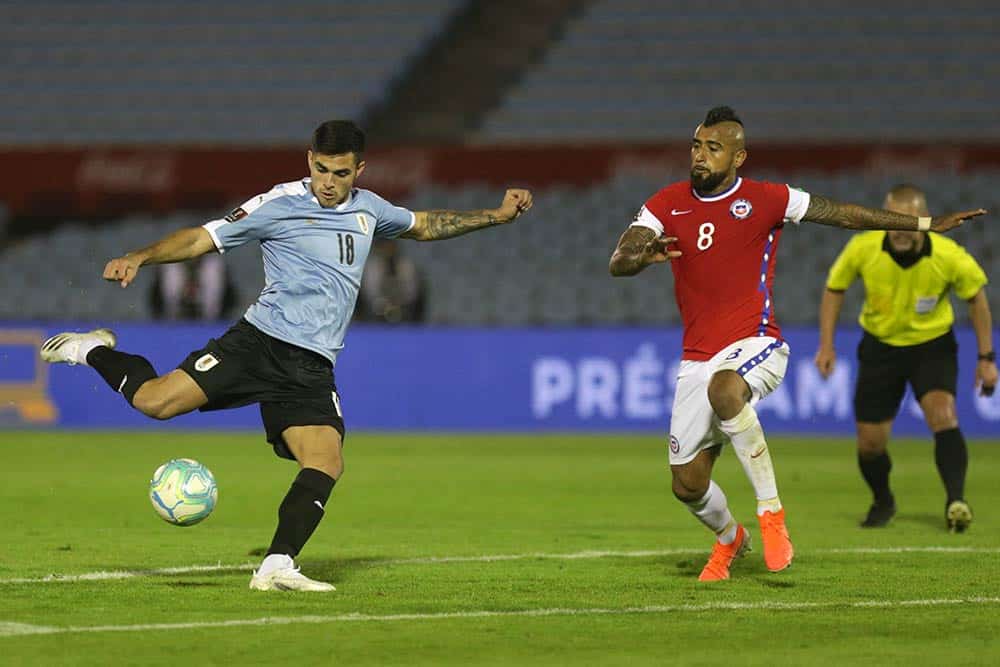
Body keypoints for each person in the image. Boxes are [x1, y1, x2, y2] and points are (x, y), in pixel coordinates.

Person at [40, 120, 533, 592]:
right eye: (321, 169)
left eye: (341, 173)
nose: (329, 183)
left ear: (359, 171)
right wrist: (140, 257)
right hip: (259, 344)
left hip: (312, 366)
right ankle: (93, 350)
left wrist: (496, 215)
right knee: (154, 403)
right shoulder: (280, 202)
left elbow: (424, 224)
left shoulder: (370, 209)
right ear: (309, 161)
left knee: (326, 460)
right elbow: (204, 237)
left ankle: (277, 565)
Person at [609, 106, 985, 582]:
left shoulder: (769, 198)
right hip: (696, 356)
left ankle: (772, 515)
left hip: (756, 341)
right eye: (696, 146)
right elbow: (618, 259)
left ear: (739, 156)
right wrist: (641, 257)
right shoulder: (667, 203)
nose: (700, 156)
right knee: (687, 485)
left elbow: (843, 214)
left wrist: (925, 226)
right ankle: (731, 539)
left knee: (726, 390)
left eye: (713, 148)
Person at [814, 184, 996, 532]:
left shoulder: (949, 255)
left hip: (932, 346)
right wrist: (826, 345)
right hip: (880, 348)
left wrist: (986, 357)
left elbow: (977, 299)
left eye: (907, 220)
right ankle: (883, 500)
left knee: (943, 415)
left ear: (923, 220)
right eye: (892, 219)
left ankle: (956, 501)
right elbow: (835, 288)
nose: (898, 228)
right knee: (870, 443)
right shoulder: (863, 247)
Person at [149, 253, 237, 320]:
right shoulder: (172, 269)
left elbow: (231, 297)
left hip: (210, 315)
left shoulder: (212, 267)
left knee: (213, 270)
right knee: (171, 271)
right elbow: (154, 297)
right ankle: (171, 317)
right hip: (173, 315)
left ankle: (211, 318)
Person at [356, 238, 427, 323]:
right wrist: (384, 304)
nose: (388, 250)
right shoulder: (372, 266)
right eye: (385, 247)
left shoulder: (405, 265)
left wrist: (398, 303)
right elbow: (370, 292)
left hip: (404, 308)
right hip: (377, 309)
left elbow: (412, 292)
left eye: (390, 247)